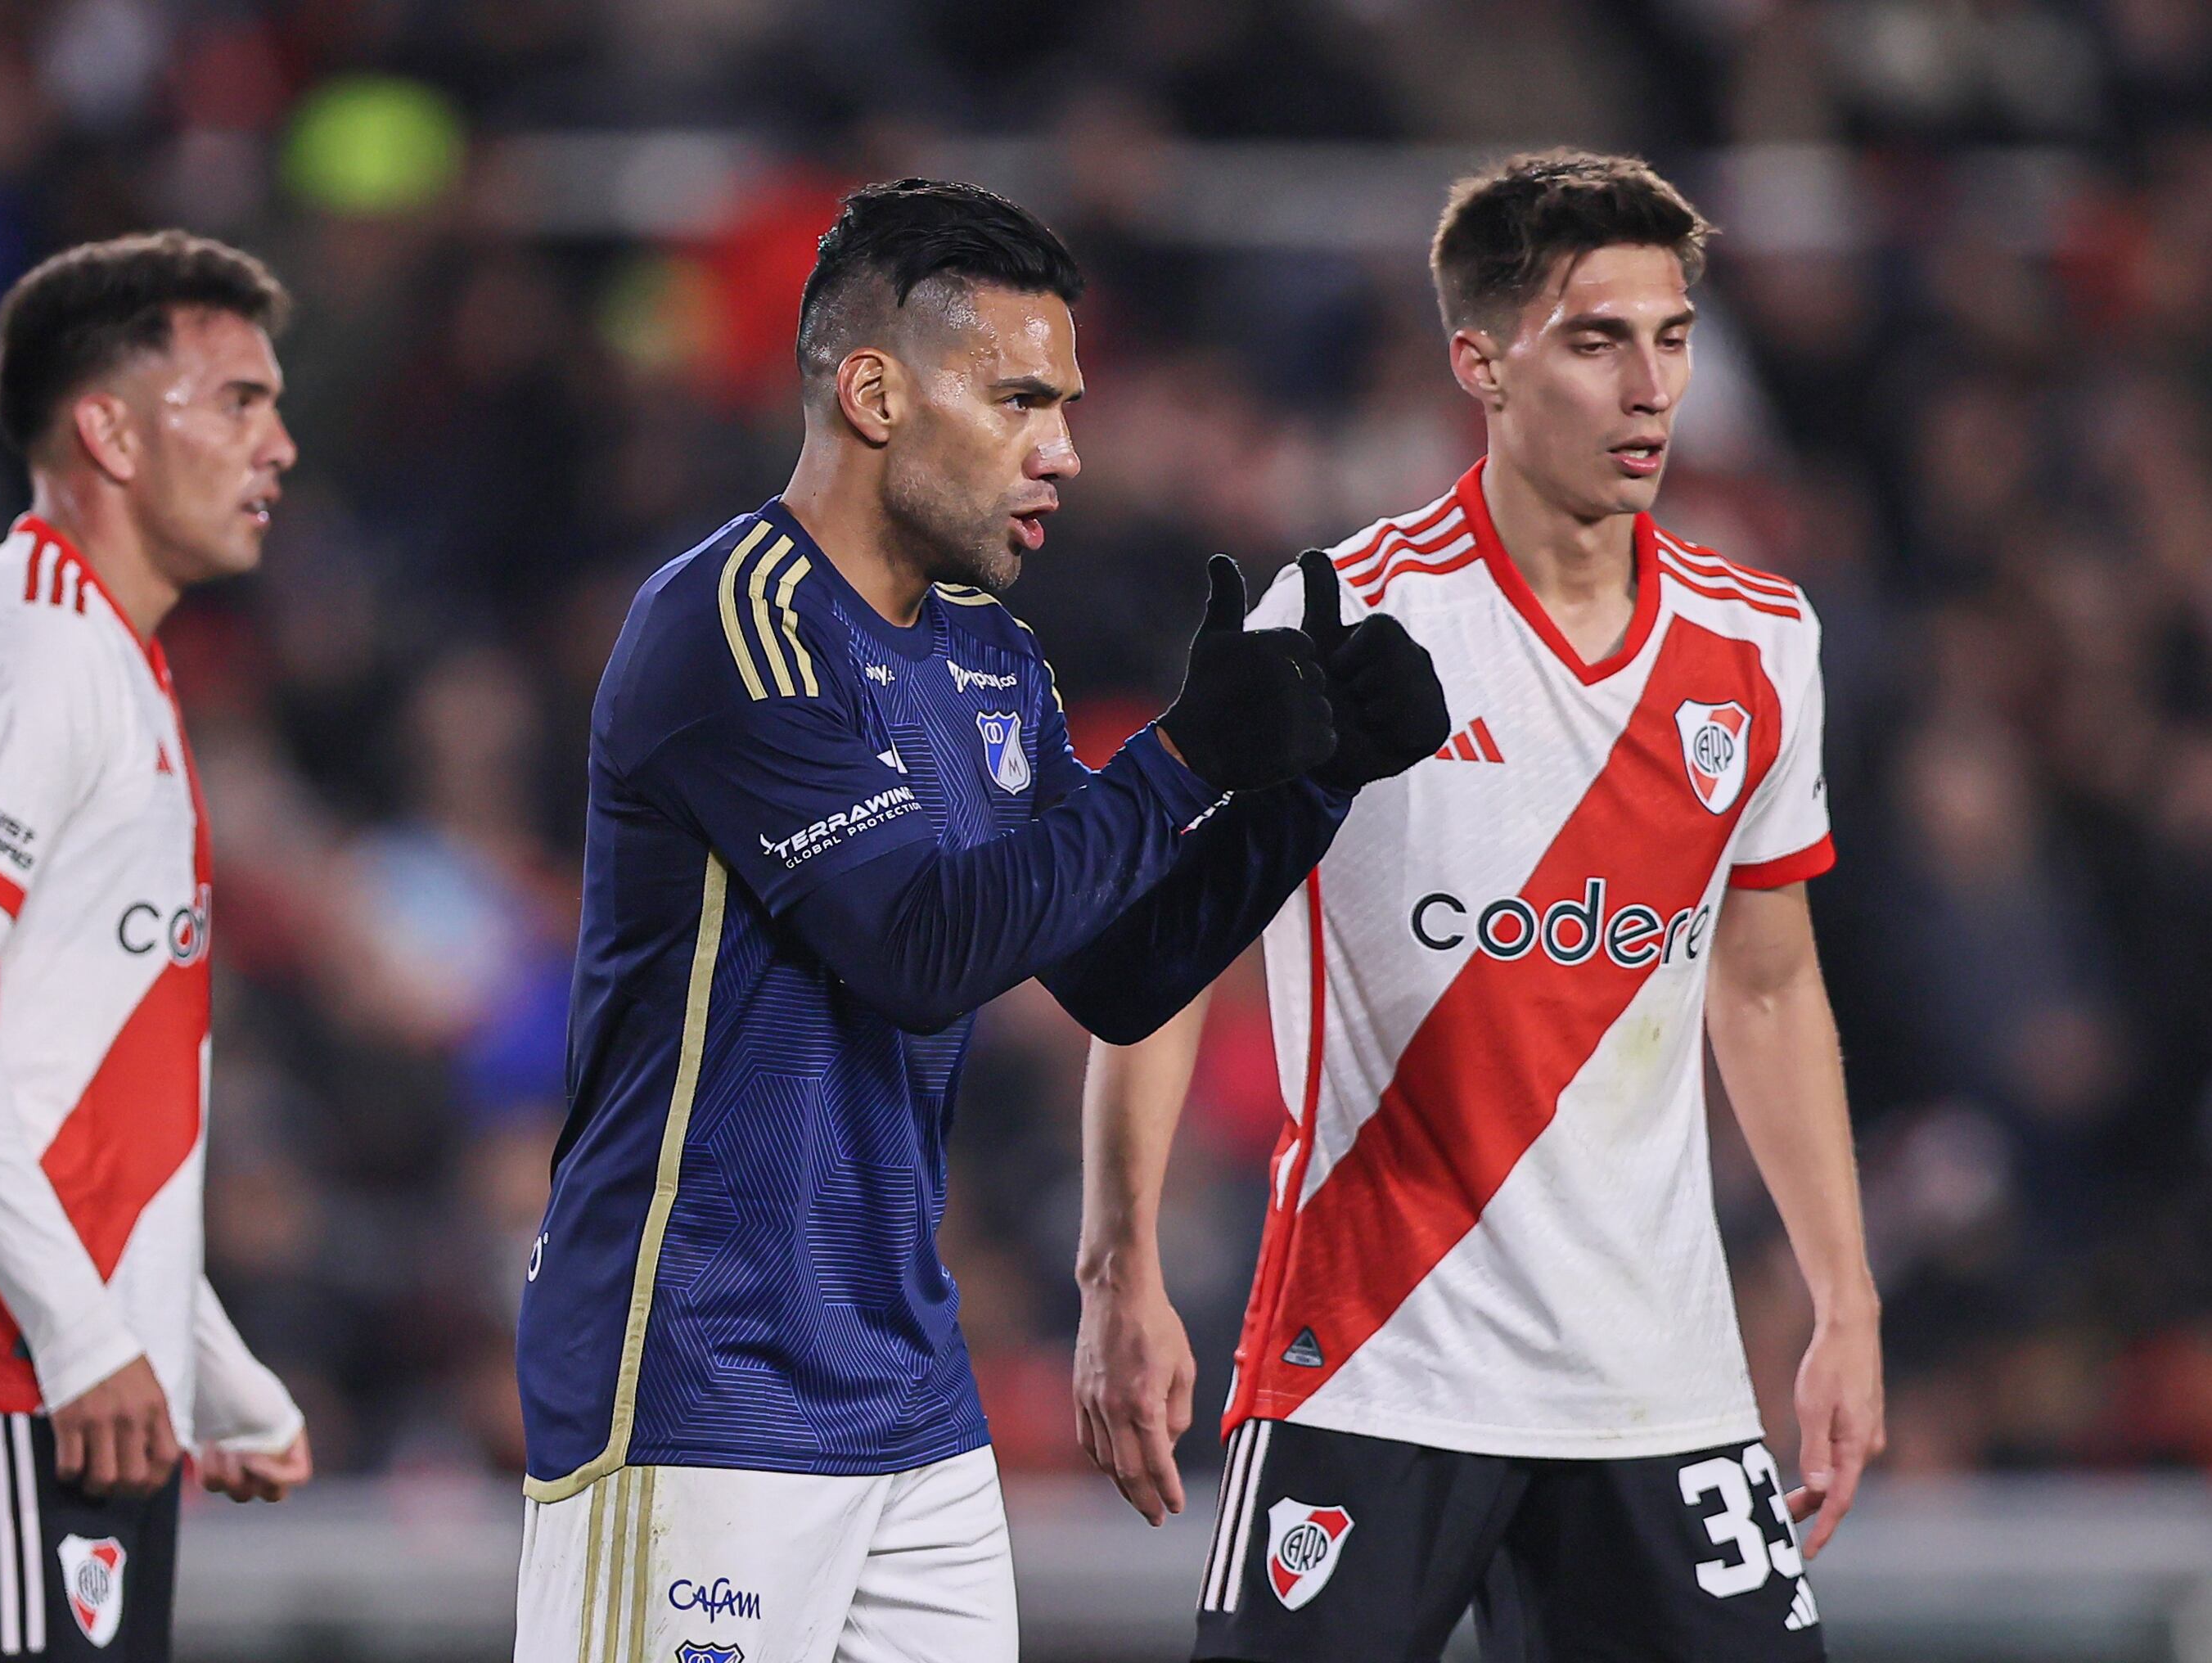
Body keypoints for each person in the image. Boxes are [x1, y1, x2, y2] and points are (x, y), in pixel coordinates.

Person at [510, 177, 1448, 1663]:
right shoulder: (729, 626)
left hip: (909, 1390)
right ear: (873, 392)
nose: (1062, 450)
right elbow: (924, 950)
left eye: (1067, 403)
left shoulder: (989, 657)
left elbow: (1118, 971)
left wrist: (1308, 787)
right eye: (1020, 398)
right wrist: (1188, 756)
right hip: (700, 1377)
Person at [1073, 151, 1885, 1661]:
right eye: (1596, 340)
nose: (1652, 387)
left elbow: (1766, 987)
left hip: (1660, 1383)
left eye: (1675, 335)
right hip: (1372, 1366)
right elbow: (1167, 960)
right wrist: (1118, 1263)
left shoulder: (1763, 641)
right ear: (1481, 365)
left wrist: (1844, 1299)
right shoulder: (1331, 625)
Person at [0, 231, 313, 1663]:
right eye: (237, 401)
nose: (279, 443)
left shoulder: (112, 664)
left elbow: (69, 1102)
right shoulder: (23, 646)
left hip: (61, 1380)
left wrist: (203, 1365)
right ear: (107, 429)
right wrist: (89, 1341)